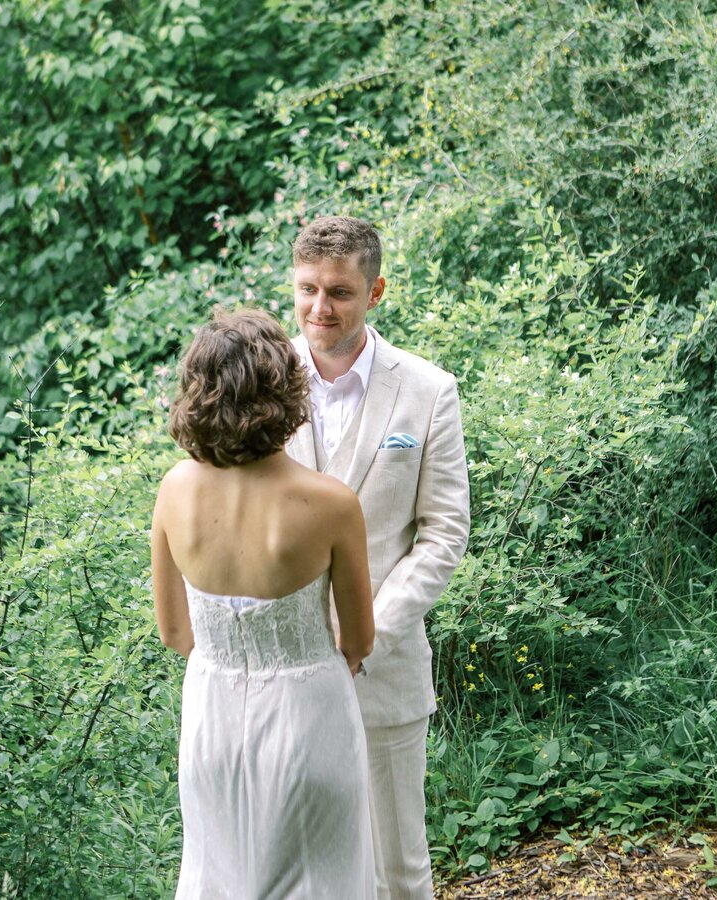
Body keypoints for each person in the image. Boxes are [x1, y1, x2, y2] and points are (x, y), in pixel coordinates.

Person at [152, 309, 377, 899]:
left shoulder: (175, 490)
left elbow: (174, 631)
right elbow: (359, 641)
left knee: (218, 880)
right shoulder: (330, 502)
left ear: (197, 393)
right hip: (310, 721)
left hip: (212, 726)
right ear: (286, 389)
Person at [286, 216, 471, 899]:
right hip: (286, 673)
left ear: (376, 291)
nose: (319, 308)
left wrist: (368, 629)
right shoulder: (264, 383)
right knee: (303, 865)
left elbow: (445, 533)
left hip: (386, 672)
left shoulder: (427, 392)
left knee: (398, 870)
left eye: (338, 291)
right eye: (306, 289)